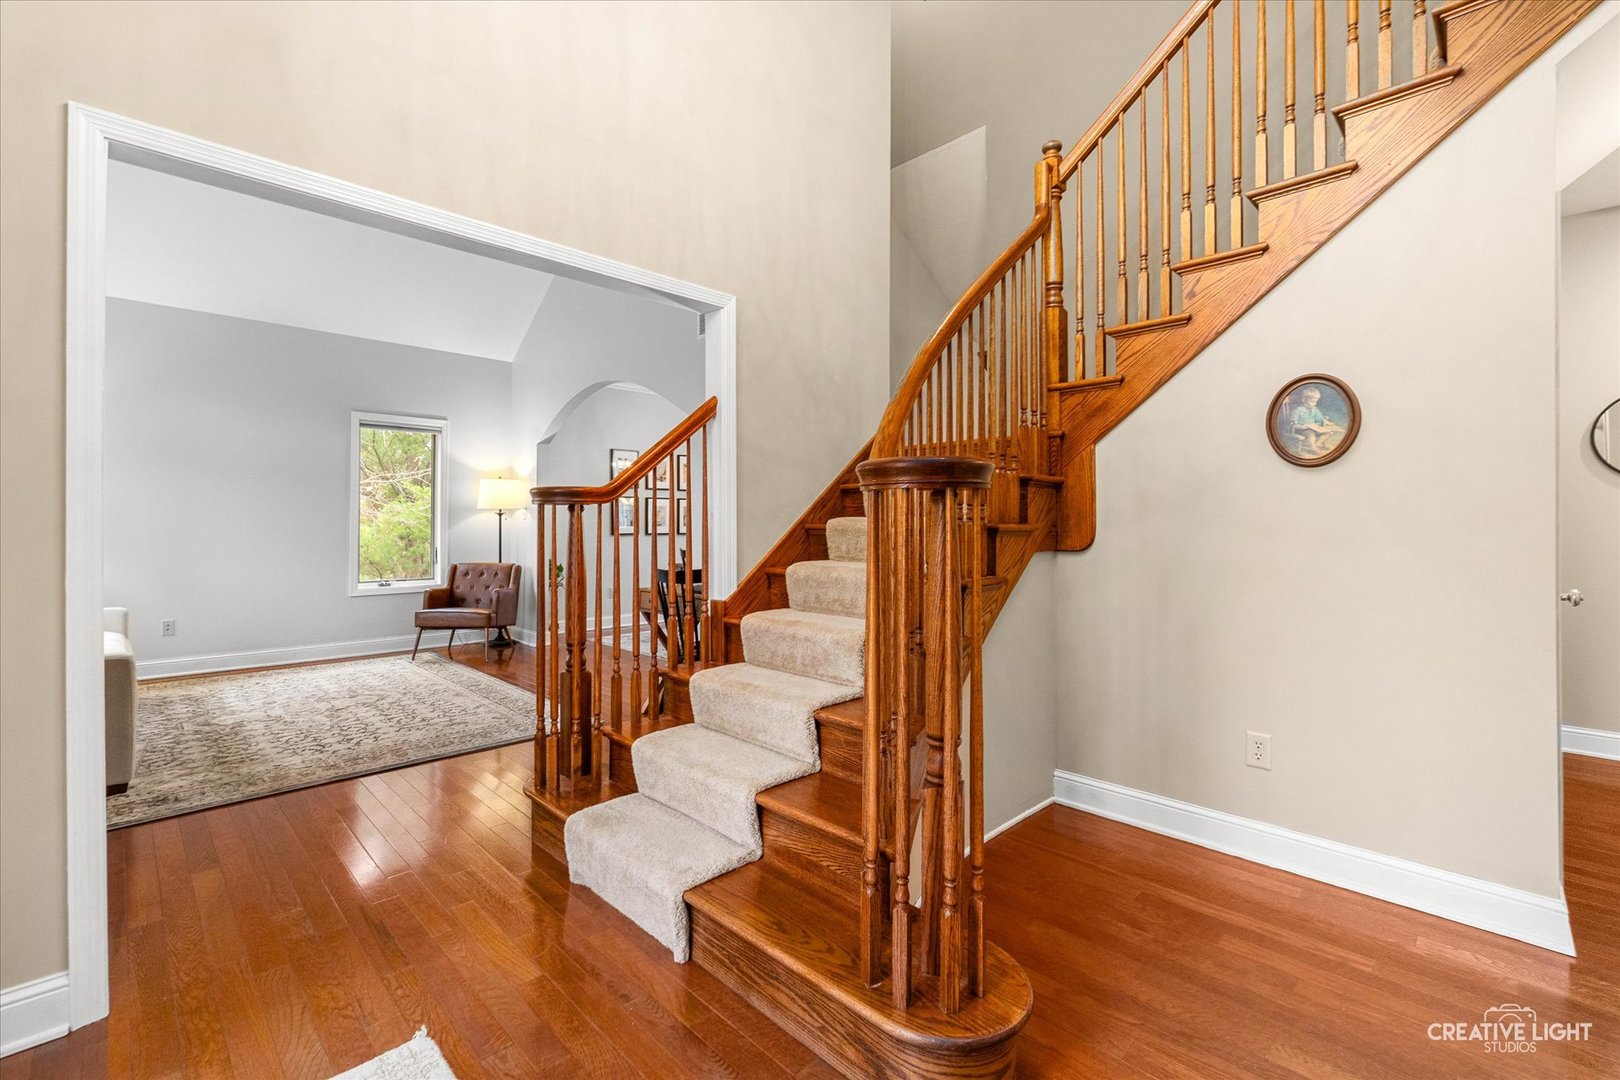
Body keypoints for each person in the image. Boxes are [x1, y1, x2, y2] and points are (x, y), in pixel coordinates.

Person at [1289, 385, 1342, 456]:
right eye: (1312, 401)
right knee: (1311, 434)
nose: (1315, 403)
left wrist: (1327, 423)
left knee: (1328, 432)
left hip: (1314, 428)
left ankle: (1315, 446)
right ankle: (1313, 448)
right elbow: (1293, 424)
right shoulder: (1298, 410)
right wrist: (1302, 427)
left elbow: (1320, 419)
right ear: (1304, 400)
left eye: (1316, 401)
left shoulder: (1315, 409)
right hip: (1302, 430)